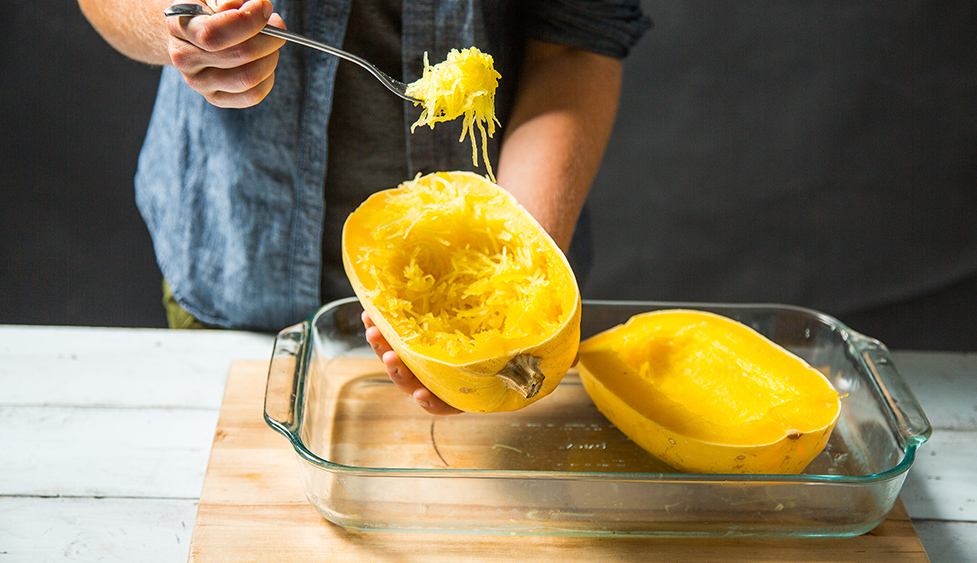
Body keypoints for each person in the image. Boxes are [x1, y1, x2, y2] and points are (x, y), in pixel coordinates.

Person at [77, 0, 651, 414]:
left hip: (519, 216)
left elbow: (575, 41)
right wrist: (183, 25)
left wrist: (511, 298)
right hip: (235, 267)